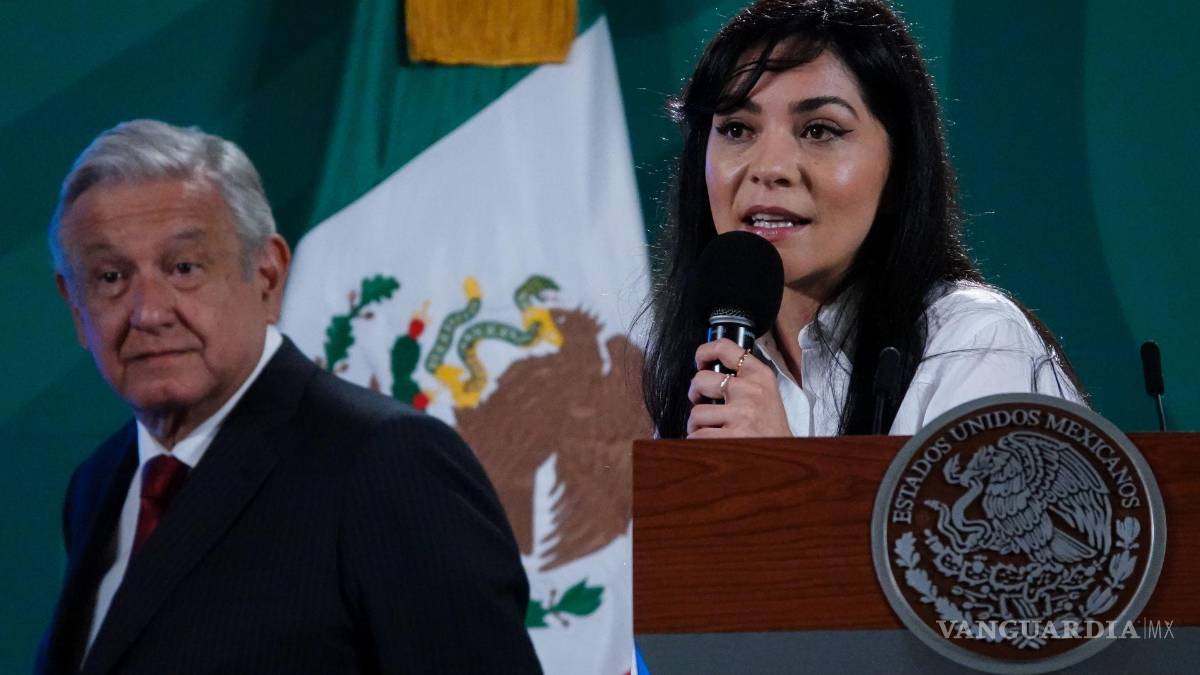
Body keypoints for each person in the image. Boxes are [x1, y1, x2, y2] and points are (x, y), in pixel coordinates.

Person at [36, 119, 542, 674]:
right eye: (111, 277)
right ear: (74, 306)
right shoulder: (98, 484)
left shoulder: (386, 461)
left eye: (184, 268)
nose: (149, 312)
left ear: (268, 276)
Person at [642, 0, 1084, 439]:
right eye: (737, 129)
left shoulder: (975, 342)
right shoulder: (709, 368)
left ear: (900, 168)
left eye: (819, 130)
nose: (770, 167)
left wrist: (775, 463)